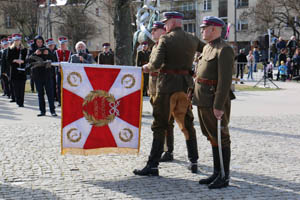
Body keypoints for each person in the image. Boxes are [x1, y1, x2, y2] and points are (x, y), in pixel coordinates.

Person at [133, 11, 205, 176]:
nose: (164, 26)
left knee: (160, 125)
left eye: (166, 23)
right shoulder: (192, 38)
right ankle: (193, 161)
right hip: (186, 86)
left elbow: (155, 64)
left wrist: (145, 68)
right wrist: (197, 67)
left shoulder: (165, 39)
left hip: (167, 87)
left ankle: (153, 165)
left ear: (172, 23)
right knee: (187, 123)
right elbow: (207, 50)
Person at [193, 16, 235, 189]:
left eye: (205, 28)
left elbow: (224, 81)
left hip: (213, 99)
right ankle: (217, 172)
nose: (202, 30)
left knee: (221, 137)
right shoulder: (207, 48)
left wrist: (218, 106)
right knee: (211, 136)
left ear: (214, 29)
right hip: (202, 98)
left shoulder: (224, 49)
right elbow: (199, 74)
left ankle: (224, 176)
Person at [146, 21, 174, 162]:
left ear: (163, 31)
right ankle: (162, 149)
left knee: (167, 121)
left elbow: (158, 66)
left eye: (155, 29)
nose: (152, 32)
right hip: (153, 87)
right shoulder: (155, 47)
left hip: (163, 87)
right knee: (159, 120)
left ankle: (168, 150)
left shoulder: (167, 46)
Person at [28, 35, 57, 117]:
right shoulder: (31, 49)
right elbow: (28, 60)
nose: (40, 43)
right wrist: (35, 53)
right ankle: (42, 111)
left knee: (50, 94)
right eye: (38, 42)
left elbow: (54, 59)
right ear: (35, 42)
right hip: (37, 75)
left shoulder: (46, 49)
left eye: (41, 41)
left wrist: (48, 54)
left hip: (47, 74)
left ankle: (52, 111)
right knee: (40, 94)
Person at [6, 34, 27, 107]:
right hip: (14, 71)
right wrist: (15, 60)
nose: (17, 41)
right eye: (15, 40)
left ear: (20, 40)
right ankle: (18, 100)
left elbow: (26, 59)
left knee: (22, 87)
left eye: (18, 40)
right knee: (16, 87)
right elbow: (8, 59)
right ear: (14, 41)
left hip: (22, 71)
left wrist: (23, 61)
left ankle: (21, 102)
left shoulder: (24, 49)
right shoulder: (10, 49)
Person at [56, 36, 71, 106]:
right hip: (59, 72)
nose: (62, 46)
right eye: (61, 44)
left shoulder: (70, 53)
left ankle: (67, 100)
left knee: (67, 87)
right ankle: (60, 101)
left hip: (67, 73)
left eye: (64, 44)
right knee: (59, 87)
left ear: (66, 45)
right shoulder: (56, 52)